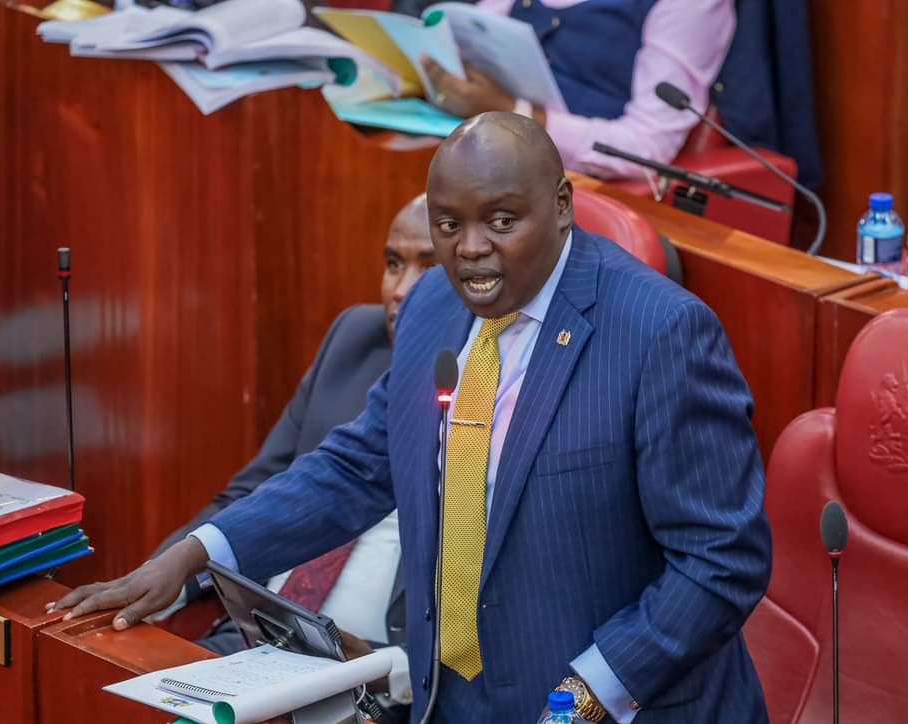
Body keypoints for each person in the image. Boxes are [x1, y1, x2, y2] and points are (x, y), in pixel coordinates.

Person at [51, 113, 771, 723]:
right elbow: (362, 463)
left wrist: (584, 697)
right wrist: (195, 555)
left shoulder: (660, 333)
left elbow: (720, 562)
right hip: (453, 700)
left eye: (501, 220)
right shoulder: (434, 307)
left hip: (609, 705)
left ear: (560, 205)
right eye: (449, 224)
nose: (471, 250)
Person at [154, 194, 436, 718]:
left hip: (373, 683)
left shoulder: (493, 385)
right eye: (394, 263)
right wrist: (166, 578)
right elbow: (252, 490)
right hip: (254, 645)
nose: (400, 290)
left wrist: (390, 666)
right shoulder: (356, 337)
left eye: (429, 266)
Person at [420, 0, 735, 180]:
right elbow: (470, 39)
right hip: (483, 154)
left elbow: (648, 148)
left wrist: (515, 112)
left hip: (574, 189)